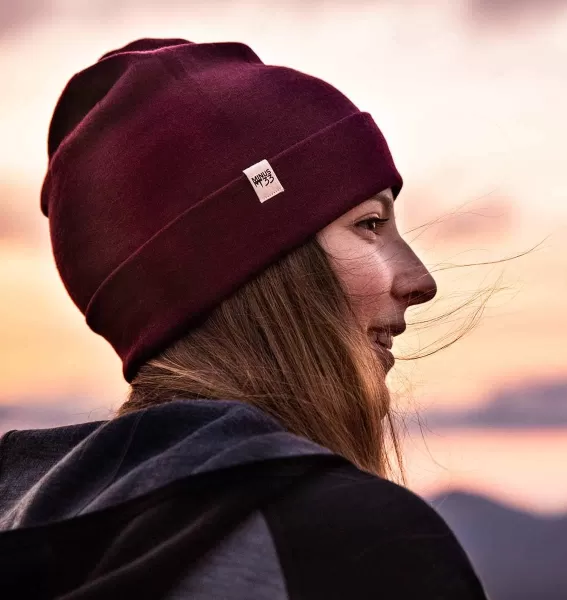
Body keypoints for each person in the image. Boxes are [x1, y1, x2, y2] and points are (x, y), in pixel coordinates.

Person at [0, 38, 488, 599]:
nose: (420, 280)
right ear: (257, 270)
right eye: (369, 225)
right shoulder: (359, 547)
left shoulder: (29, 526)